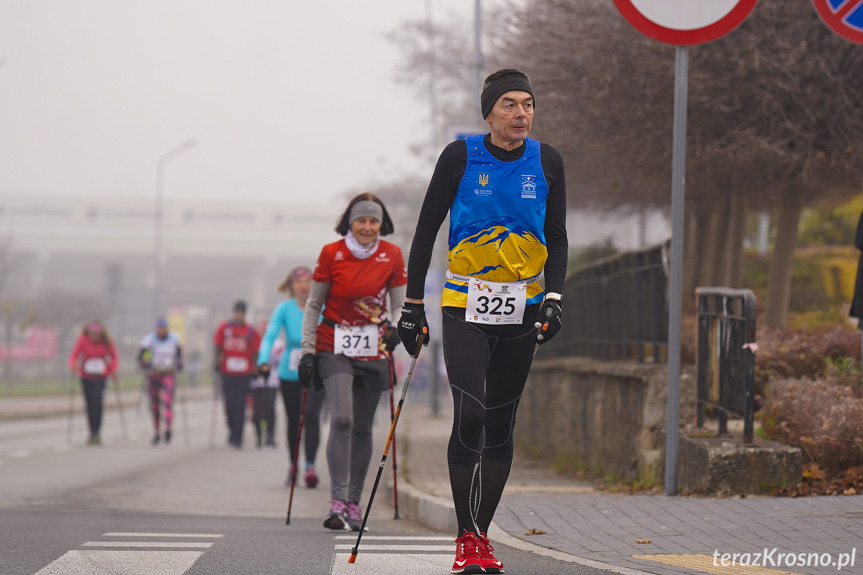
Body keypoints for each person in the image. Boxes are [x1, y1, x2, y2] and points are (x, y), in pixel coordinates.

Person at [398, 69, 568, 574]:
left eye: (529, 104)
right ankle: (465, 534)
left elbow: (556, 236)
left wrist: (554, 296)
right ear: (489, 113)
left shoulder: (548, 161)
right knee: (470, 413)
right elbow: (427, 230)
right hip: (465, 304)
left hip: (523, 305)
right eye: (510, 105)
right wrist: (411, 305)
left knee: (500, 421)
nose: (522, 113)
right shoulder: (460, 157)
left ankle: (481, 535)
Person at [299, 193, 405, 531]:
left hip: (374, 348)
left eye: (373, 221)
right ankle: (336, 502)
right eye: (361, 220)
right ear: (350, 222)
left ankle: (354, 505)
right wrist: (307, 350)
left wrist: (398, 330)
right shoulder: (332, 254)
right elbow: (314, 305)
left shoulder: (392, 255)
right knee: (342, 418)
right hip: (334, 345)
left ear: (381, 225)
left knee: (362, 427)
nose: (367, 227)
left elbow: (400, 305)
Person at [256, 266, 325, 487]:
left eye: (308, 281)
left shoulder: (322, 308)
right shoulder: (284, 309)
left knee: (312, 416)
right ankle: (293, 464)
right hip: (290, 372)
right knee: (294, 420)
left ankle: (310, 466)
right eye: (298, 282)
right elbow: (269, 336)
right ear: (291, 286)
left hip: (316, 369)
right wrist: (263, 360)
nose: (303, 285)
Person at [214, 300, 261, 449]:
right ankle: (231, 429)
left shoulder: (250, 331)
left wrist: (255, 369)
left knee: (240, 404)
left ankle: (238, 436)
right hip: (227, 373)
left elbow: (255, 352)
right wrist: (216, 362)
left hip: (244, 374)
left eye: (241, 313)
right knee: (229, 404)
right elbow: (217, 346)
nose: (238, 315)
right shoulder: (224, 328)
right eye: (236, 312)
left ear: (244, 314)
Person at [68, 320, 119, 446]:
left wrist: (113, 369)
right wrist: (73, 365)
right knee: (89, 403)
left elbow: (114, 357)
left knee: (97, 401)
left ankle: (97, 432)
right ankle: (91, 432)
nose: (94, 335)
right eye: (92, 333)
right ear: (89, 332)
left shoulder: (107, 341)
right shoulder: (82, 340)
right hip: (86, 376)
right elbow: (74, 355)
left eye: (97, 333)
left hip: (101, 376)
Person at [138, 318, 183, 446]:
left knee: (167, 400)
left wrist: (179, 364)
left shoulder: (174, 339)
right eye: (159, 328)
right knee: (155, 404)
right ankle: (157, 432)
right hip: (154, 373)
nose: (162, 330)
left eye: (164, 328)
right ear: (156, 328)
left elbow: (179, 355)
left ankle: (168, 428)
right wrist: (144, 363)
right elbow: (142, 355)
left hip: (168, 373)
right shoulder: (150, 339)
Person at [250, 334, 281, 449]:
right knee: (258, 410)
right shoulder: (255, 340)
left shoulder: (278, 343)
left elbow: (280, 361)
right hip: (257, 382)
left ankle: (270, 436)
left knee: (270, 409)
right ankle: (258, 437)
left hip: (272, 382)